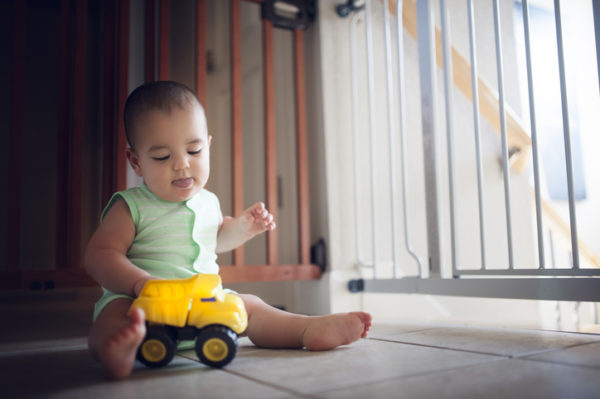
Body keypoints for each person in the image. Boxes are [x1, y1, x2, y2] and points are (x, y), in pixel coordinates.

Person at [84, 80, 372, 380]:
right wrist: (138, 284)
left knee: (250, 305)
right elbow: (99, 255)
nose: (182, 165)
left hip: (204, 301)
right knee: (113, 317)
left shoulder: (208, 202)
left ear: (208, 145)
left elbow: (218, 238)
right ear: (136, 161)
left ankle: (305, 328)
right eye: (162, 157)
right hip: (141, 299)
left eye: (193, 150)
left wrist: (243, 227)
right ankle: (115, 350)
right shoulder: (131, 205)